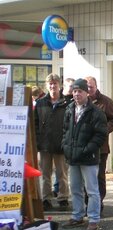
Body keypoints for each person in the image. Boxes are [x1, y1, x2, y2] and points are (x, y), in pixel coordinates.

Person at [62, 79, 107, 230]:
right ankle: (77, 216)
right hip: (73, 156)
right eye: (74, 91)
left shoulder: (96, 112)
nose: (76, 94)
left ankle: (94, 219)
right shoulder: (69, 109)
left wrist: (88, 149)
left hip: (89, 158)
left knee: (92, 190)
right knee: (75, 188)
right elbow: (65, 131)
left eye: (79, 91)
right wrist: (65, 146)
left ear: (87, 93)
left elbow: (101, 135)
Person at [85, 76, 113, 213]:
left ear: (96, 86)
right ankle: (87, 203)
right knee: (86, 177)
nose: (89, 89)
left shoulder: (106, 102)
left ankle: (98, 203)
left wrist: (104, 129)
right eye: (86, 87)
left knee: (99, 176)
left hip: (101, 147)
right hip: (84, 147)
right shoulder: (81, 101)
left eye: (91, 86)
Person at [34, 73, 70, 211]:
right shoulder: (41, 103)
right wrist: (38, 141)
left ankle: (63, 198)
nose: (53, 86)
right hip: (45, 145)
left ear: (59, 85)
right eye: (50, 83)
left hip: (61, 145)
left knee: (62, 174)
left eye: (55, 83)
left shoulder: (66, 103)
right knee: (45, 174)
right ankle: (46, 199)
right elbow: (35, 124)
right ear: (47, 85)